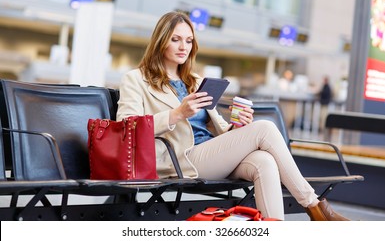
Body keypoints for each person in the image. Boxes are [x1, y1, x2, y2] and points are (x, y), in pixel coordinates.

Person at [116, 11, 349, 221]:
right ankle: (314, 206)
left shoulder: (195, 81)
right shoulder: (136, 79)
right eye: (175, 39)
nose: (183, 47)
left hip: (210, 155)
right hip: (179, 161)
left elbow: (217, 131)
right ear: (160, 41)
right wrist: (177, 114)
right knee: (265, 128)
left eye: (188, 41)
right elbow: (126, 128)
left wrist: (237, 128)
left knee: (264, 162)